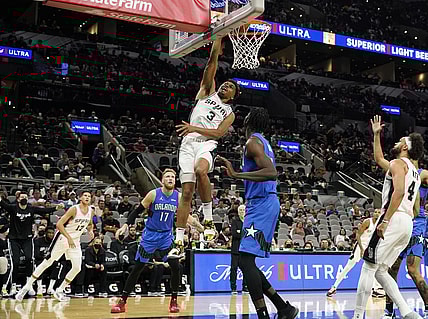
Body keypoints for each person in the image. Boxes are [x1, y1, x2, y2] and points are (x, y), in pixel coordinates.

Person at [216, 108, 298, 319]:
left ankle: (264, 314)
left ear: (248, 122)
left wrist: (235, 174)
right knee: (247, 261)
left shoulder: (252, 142)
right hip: (263, 203)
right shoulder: (263, 141)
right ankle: (283, 307)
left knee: (244, 261)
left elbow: (271, 172)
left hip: (261, 204)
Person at [171, 36, 239, 257]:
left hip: (207, 143)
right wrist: (219, 35)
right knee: (186, 193)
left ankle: (208, 219)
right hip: (188, 143)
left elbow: (219, 134)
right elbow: (212, 62)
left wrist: (194, 128)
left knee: (202, 170)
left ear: (233, 96)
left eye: (230, 88)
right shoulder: (207, 91)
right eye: (226, 83)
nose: (226, 86)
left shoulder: (230, 114)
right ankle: (179, 239)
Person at [352, 115, 425, 319]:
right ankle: (407, 311)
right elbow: (378, 160)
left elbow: (399, 191)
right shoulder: (414, 171)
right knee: (382, 271)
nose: (396, 142)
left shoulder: (398, 164)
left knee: (368, 267)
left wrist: (384, 221)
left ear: (405, 147)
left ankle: (357, 316)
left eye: (399, 141)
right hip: (407, 222)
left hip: (393, 219)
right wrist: (376, 135)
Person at [111, 169, 203, 314]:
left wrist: (200, 227)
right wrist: (125, 225)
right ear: (162, 180)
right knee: (137, 269)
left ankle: (173, 300)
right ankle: (122, 301)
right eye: (167, 176)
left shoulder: (178, 197)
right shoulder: (153, 194)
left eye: (173, 177)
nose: (171, 179)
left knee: (175, 266)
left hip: (166, 237)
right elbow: (136, 211)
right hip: (150, 236)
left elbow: (186, 216)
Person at [15, 191, 94, 302]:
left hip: (75, 241)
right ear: (80, 197)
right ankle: (26, 287)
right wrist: (69, 238)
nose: (87, 197)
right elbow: (59, 224)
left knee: (77, 267)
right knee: (48, 262)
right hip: (63, 238)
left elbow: (90, 224)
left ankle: (59, 290)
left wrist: (90, 231)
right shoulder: (74, 209)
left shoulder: (91, 211)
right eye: (85, 195)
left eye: (89, 196)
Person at [0, 192, 64, 296]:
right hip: (14, 239)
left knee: (30, 259)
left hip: (27, 239)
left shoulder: (31, 209)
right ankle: (13, 286)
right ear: (18, 199)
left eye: (25, 197)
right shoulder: (13, 208)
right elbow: (3, 204)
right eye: (22, 197)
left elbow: (45, 210)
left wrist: (56, 207)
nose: (24, 198)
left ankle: (28, 286)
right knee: (15, 263)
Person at [326, 209, 380, 297]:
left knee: (374, 267)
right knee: (349, 266)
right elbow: (358, 235)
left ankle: (375, 289)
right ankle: (334, 287)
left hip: (370, 247)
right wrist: (362, 249)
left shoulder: (380, 224)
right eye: (375, 212)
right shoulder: (367, 222)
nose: (377, 214)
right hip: (360, 245)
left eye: (379, 212)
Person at [33, 226, 58, 296]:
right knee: (39, 264)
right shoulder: (38, 241)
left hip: (51, 260)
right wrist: (45, 258)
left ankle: (50, 288)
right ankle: (39, 287)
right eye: (49, 233)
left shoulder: (55, 242)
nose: (51, 234)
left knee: (57, 263)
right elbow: (36, 255)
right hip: (40, 260)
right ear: (45, 233)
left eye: (52, 233)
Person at [230, 204, 248, 294]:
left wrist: (240, 232)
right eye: (240, 210)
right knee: (234, 269)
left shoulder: (248, 221)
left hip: (245, 249)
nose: (242, 212)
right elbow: (234, 234)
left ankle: (245, 287)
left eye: (243, 210)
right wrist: (243, 234)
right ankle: (233, 287)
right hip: (236, 249)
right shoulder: (234, 221)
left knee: (246, 269)